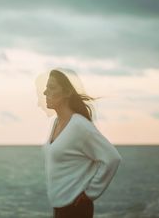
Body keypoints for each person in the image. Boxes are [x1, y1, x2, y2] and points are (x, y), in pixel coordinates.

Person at [36, 68, 122, 218]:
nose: (45, 93)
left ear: (67, 93)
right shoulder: (56, 122)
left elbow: (112, 158)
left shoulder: (79, 126)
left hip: (76, 209)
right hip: (60, 207)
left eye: (52, 87)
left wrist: (90, 194)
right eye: (45, 88)